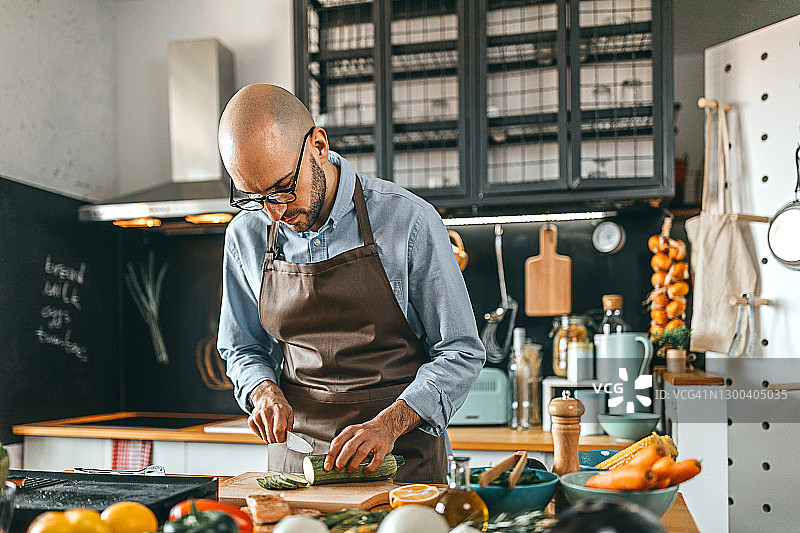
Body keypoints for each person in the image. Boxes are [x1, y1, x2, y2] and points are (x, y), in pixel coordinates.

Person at [216, 84, 485, 483]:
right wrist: (261, 389)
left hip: (402, 460)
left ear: (319, 146)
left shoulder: (409, 221)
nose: (275, 212)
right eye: (255, 197)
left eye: (283, 189)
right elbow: (242, 347)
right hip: (299, 464)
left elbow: (460, 352)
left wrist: (388, 426)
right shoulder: (245, 236)